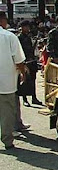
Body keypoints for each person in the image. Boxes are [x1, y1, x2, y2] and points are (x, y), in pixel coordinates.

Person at [0, 12, 26, 150]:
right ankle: (7, 140)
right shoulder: (9, 36)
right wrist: (22, 73)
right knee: (7, 112)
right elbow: (19, 60)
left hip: (5, 81)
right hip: (5, 82)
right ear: (3, 20)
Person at [17, 20, 42, 106]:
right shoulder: (19, 38)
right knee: (25, 80)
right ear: (22, 27)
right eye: (26, 27)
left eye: (28, 27)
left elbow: (32, 49)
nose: (28, 28)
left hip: (31, 61)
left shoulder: (28, 37)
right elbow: (19, 51)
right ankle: (25, 99)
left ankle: (34, 98)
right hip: (24, 61)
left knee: (33, 80)